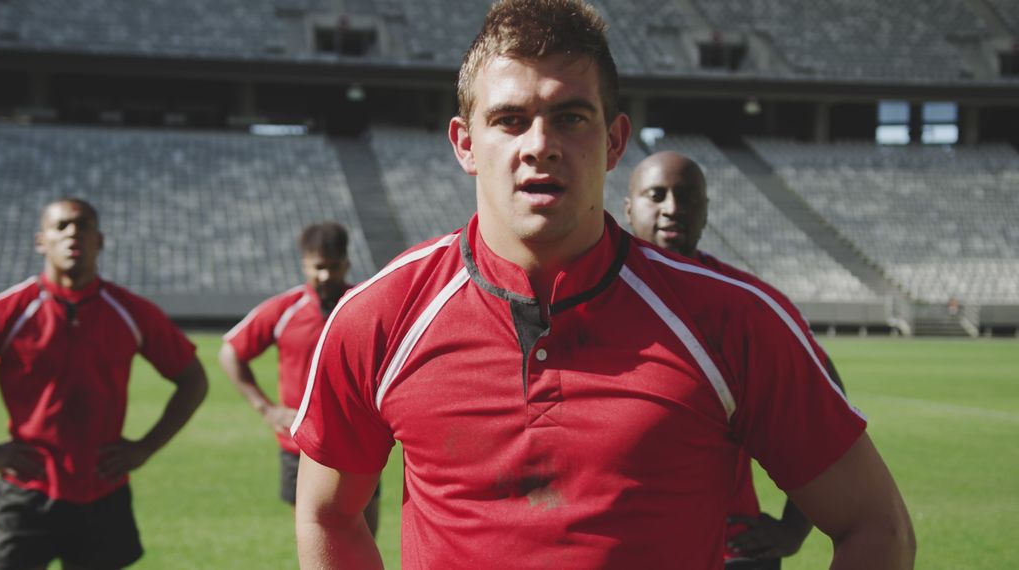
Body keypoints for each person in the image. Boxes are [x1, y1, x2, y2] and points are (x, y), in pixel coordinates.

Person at [290, 1, 915, 568]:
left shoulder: (729, 319)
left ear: (614, 141)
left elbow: (875, 528)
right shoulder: (382, 316)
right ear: (465, 144)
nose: (541, 145)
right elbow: (327, 514)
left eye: (570, 117)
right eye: (510, 119)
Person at [0, 198, 208, 570]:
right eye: (61, 226)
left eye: (83, 226)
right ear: (40, 241)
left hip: (103, 491)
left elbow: (193, 379)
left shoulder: (130, 311)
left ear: (101, 240)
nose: (73, 234)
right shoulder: (6, 311)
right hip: (27, 491)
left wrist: (146, 446)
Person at [625, 150, 848, 568]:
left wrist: (794, 528)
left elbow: (828, 400)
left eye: (688, 196)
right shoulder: (592, 299)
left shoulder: (747, 304)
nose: (673, 208)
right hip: (625, 551)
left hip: (732, 553)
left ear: (706, 211)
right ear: (627, 206)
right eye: (657, 195)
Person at [218, 222, 378, 533]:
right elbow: (230, 353)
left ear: (347, 262)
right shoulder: (286, 309)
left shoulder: (366, 303)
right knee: (317, 542)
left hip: (361, 443)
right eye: (318, 267)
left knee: (365, 541)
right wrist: (267, 409)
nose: (325, 276)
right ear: (304, 264)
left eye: (333, 267)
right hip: (301, 447)